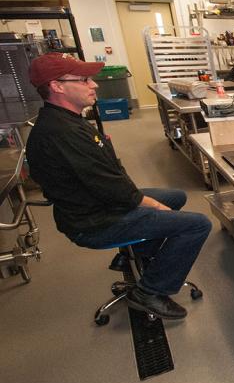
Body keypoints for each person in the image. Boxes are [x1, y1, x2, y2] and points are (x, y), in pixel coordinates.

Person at [25, 53, 212, 320]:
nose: (94, 85)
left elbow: (111, 179)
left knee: (176, 196)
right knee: (197, 224)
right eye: (84, 79)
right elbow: (119, 192)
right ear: (57, 86)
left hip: (98, 205)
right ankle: (150, 291)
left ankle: (141, 253)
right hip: (96, 221)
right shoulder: (62, 134)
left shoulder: (66, 119)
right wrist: (158, 210)